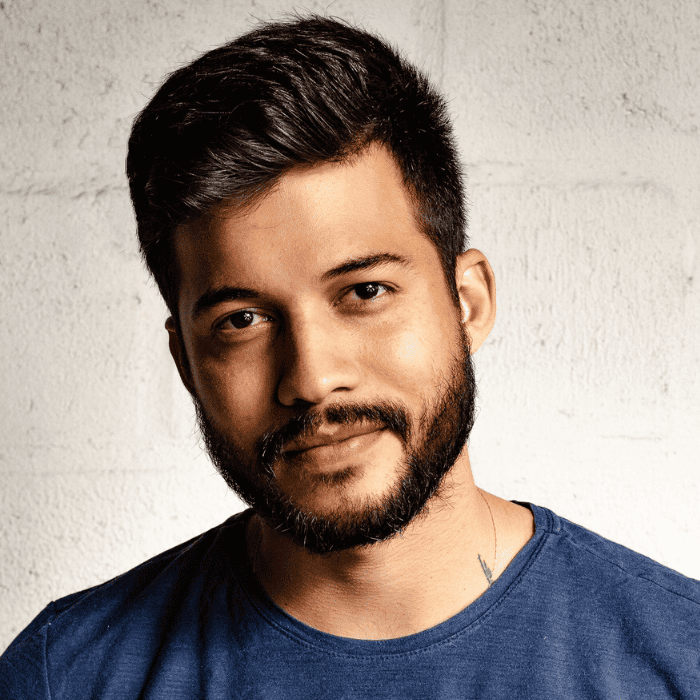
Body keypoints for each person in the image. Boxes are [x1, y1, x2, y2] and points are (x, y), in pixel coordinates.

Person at [1, 14, 698, 699]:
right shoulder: (67, 677)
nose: (312, 377)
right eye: (242, 320)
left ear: (468, 302)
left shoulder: (680, 659)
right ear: (185, 363)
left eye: (365, 291)